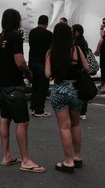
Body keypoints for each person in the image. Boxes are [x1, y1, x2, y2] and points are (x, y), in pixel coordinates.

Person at [0, 8, 45, 173]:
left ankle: (6, 155)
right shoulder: (15, 36)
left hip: (2, 84)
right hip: (14, 85)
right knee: (23, 121)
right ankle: (26, 160)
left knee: (5, 119)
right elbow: (20, 61)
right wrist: (28, 73)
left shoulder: (0, 37)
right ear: (16, 21)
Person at [45, 22, 88, 173]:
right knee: (75, 124)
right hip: (76, 90)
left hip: (60, 89)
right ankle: (77, 157)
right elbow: (87, 67)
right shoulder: (76, 49)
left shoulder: (51, 52)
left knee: (64, 126)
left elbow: (47, 74)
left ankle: (68, 161)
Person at [28, 14, 53, 117]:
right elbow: (51, 51)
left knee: (35, 86)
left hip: (32, 62)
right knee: (43, 87)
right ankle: (39, 110)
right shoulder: (49, 34)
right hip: (43, 63)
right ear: (46, 23)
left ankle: (33, 107)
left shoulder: (32, 32)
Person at [72, 24, 90, 120]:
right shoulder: (84, 42)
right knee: (83, 91)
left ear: (77, 32)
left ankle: (77, 111)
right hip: (83, 70)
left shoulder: (76, 44)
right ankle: (83, 112)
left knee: (75, 91)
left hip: (77, 70)